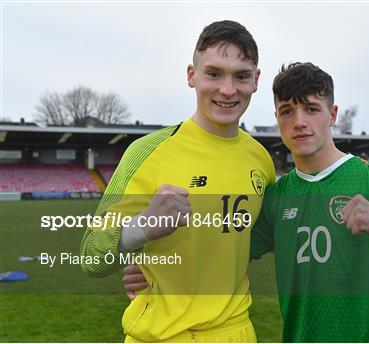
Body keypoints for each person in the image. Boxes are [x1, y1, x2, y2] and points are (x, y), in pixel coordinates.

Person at [124, 62, 369, 342]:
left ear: (332, 114)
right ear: (277, 119)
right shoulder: (276, 198)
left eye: (311, 109)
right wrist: (153, 271)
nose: (299, 122)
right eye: (287, 111)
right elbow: (221, 254)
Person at [80, 20, 275, 342]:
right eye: (214, 73)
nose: (227, 90)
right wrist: (139, 231)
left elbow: (250, 240)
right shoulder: (146, 151)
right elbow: (91, 258)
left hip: (235, 333)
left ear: (255, 80)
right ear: (191, 75)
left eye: (240, 75)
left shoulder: (260, 159)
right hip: (159, 335)